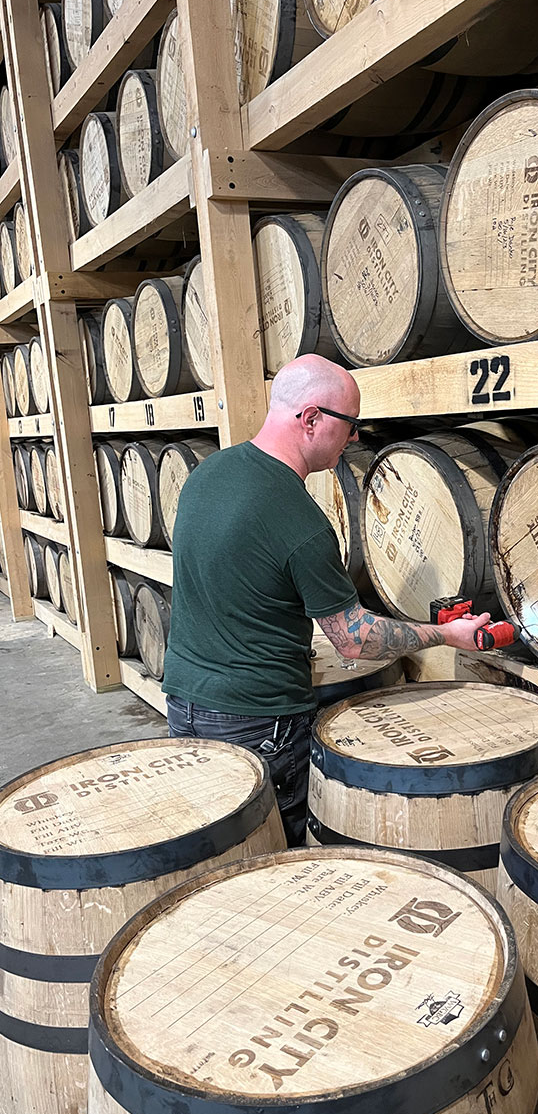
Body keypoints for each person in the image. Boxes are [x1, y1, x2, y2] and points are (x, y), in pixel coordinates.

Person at [162, 355, 491, 844]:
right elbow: (355, 641)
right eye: (350, 424)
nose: (355, 438)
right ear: (312, 418)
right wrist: (446, 634)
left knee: (217, 848)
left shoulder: (207, 475)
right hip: (258, 721)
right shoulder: (301, 521)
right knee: (278, 851)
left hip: (183, 702)